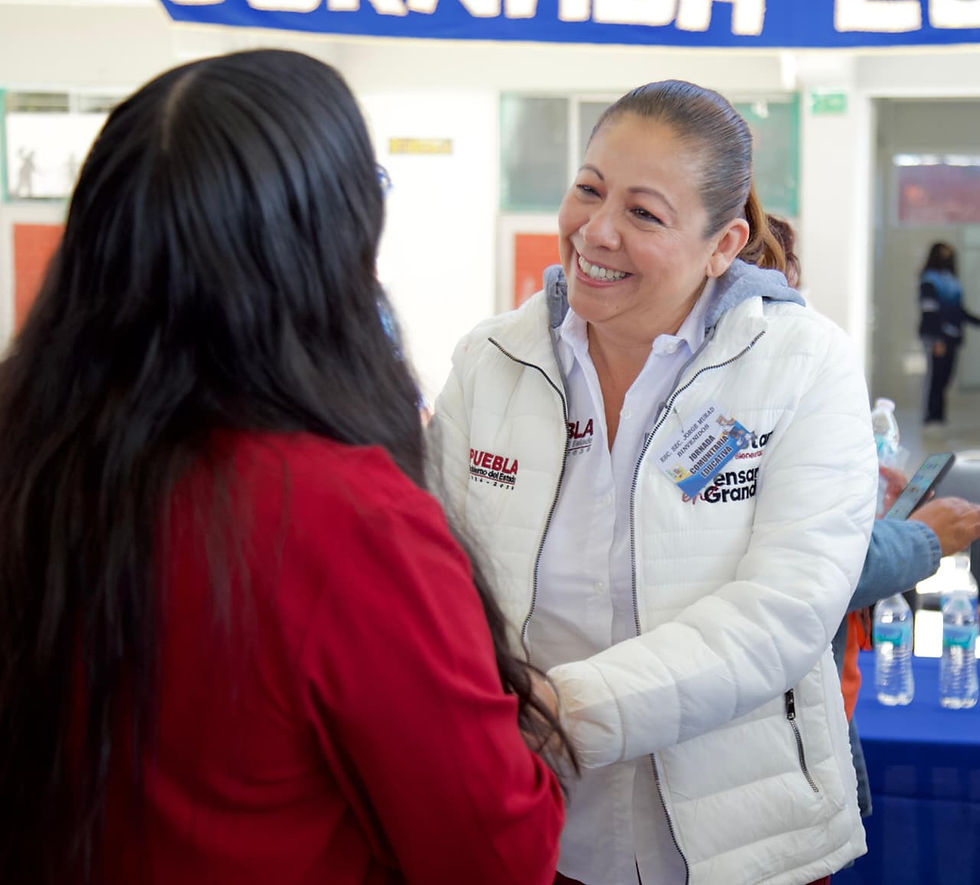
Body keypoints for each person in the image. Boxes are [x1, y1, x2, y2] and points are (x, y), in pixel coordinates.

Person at [0, 49, 569, 885]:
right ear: (331, 244)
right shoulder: (342, 519)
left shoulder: (30, 458)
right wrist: (537, 716)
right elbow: (494, 855)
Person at [429, 80, 877, 885]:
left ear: (724, 243)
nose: (595, 232)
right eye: (589, 190)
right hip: (531, 826)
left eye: (644, 213)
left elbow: (785, 611)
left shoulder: (802, 362)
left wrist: (557, 713)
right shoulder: (490, 360)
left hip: (739, 847)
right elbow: (435, 578)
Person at [918, 241, 980, 425]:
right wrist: (936, 338)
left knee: (946, 377)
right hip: (938, 337)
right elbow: (929, 310)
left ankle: (939, 416)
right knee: (937, 377)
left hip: (953, 336)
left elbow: (959, 310)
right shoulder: (929, 279)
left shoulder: (952, 281)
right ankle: (933, 417)